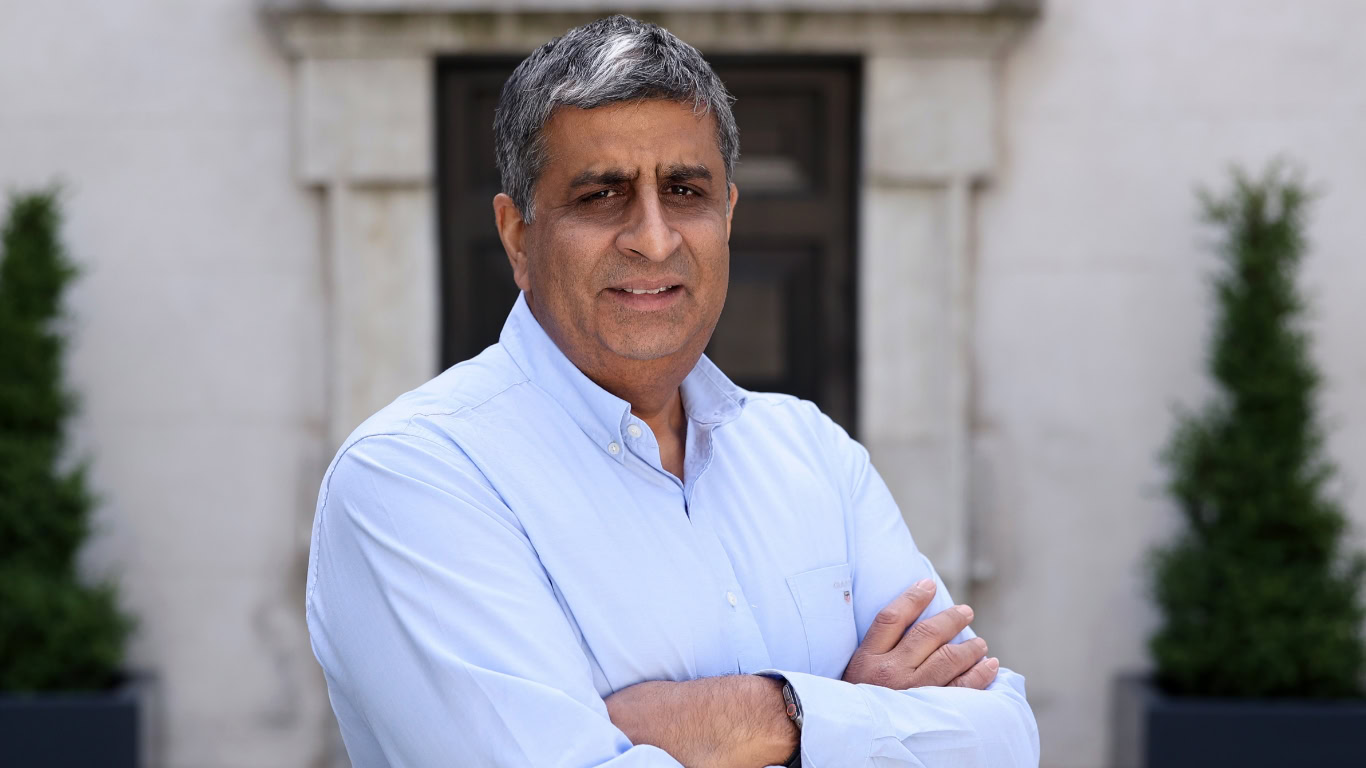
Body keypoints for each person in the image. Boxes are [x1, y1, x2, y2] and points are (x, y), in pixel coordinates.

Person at [306, 14, 1039, 768]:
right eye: (601, 195)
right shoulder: (412, 478)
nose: (653, 239)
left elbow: (1004, 740)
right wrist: (855, 716)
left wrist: (774, 717)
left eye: (684, 190)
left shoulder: (813, 454)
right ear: (518, 235)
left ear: (726, 215)